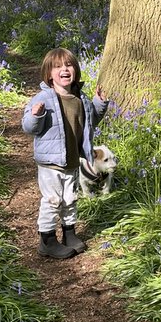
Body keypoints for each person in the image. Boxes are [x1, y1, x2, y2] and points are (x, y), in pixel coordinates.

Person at [22, 47, 108, 259]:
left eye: (69, 65)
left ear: (76, 70)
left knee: (70, 198)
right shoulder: (44, 98)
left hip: (71, 159)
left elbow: (90, 121)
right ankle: (47, 240)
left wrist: (99, 103)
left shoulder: (80, 98)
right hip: (51, 163)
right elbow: (28, 127)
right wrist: (36, 115)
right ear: (49, 74)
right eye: (58, 67)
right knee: (53, 200)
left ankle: (69, 234)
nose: (64, 70)